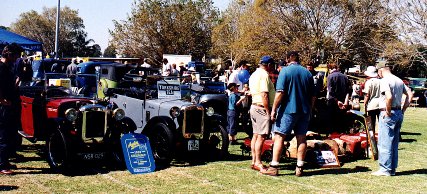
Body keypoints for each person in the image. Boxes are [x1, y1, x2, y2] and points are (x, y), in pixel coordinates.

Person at [261, 51, 315, 177]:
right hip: (304, 111)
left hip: (288, 110)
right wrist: (310, 109)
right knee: (302, 138)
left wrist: (273, 109)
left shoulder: (284, 71)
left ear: (287, 59)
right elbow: (313, 96)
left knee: (279, 137)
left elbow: (280, 93)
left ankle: (274, 166)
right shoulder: (307, 73)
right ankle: (299, 167)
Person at [372, 64, 410, 176]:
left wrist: (387, 111)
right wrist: (403, 110)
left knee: (384, 142)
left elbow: (388, 97)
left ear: (381, 70)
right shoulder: (399, 80)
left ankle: (385, 169)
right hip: (398, 112)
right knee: (394, 142)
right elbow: (410, 94)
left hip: (388, 112)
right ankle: (392, 169)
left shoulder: (385, 80)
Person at [248, 56, 275, 171]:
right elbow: (264, 94)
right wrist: (268, 112)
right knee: (261, 136)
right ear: (268, 65)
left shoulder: (254, 74)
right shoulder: (264, 75)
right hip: (261, 108)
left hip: (254, 106)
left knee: (255, 135)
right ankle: (258, 162)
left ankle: (254, 160)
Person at [0, 43, 23, 175]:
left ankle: (5, 161)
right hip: (4, 106)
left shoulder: (8, 67)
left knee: (8, 135)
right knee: (3, 136)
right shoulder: (1, 67)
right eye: (16, 55)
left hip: (10, 104)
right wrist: (2, 100)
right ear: (8, 54)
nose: (17, 58)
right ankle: (2, 165)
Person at [326, 62, 351, 133]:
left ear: (330, 68)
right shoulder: (345, 77)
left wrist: (337, 101)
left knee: (332, 120)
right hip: (343, 102)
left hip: (333, 102)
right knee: (341, 120)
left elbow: (330, 91)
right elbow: (348, 91)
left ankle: (333, 135)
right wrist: (346, 101)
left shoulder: (330, 76)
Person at [363, 66, 381, 134]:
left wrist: (365, 103)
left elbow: (367, 95)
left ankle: (371, 136)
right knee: (381, 122)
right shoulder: (381, 81)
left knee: (371, 122)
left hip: (372, 105)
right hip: (381, 104)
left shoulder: (368, 82)